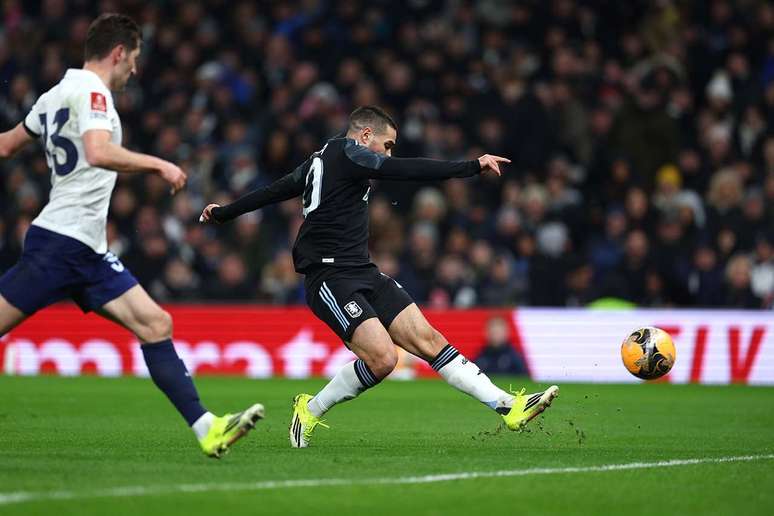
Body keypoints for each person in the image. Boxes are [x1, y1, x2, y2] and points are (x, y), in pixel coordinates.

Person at [201, 106, 559, 448]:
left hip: (363, 270)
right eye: (386, 145)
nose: (387, 154)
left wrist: (224, 213)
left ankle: (507, 406)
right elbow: (404, 170)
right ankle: (310, 409)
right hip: (329, 277)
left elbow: (275, 190)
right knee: (383, 359)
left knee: (430, 340)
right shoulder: (350, 154)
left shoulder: (319, 160)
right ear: (365, 135)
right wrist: (471, 166)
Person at [0, 13, 263, 458]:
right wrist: (159, 164)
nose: (135, 70)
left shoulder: (55, 94)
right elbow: (98, 151)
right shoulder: (93, 92)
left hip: (86, 248)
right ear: (118, 53)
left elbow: (6, 144)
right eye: (134, 59)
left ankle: (208, 429)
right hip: (61, 243)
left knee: (156, 323)